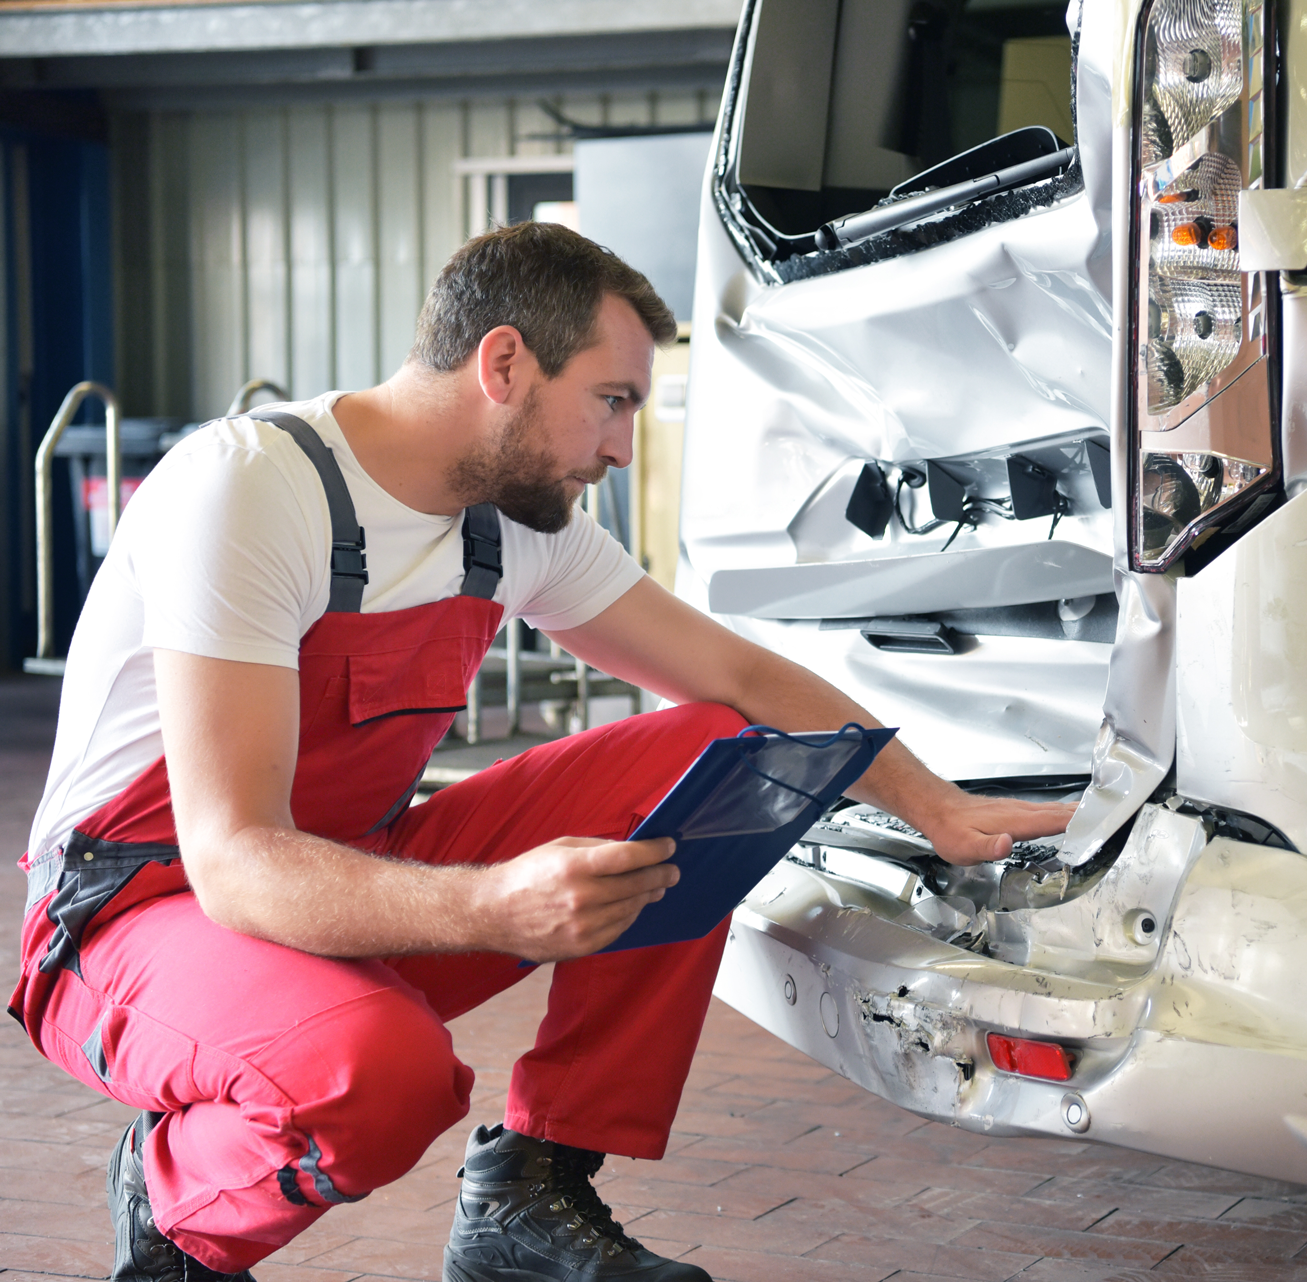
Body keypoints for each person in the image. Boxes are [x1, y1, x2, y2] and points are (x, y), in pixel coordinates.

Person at [13, 222, 1075, 1282]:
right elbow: (235, 856)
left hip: (347, 872)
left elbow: (745, 683)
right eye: (611, 401)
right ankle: (171, 1202)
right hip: (142, 913)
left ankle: (530, 1189)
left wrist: (932, 803)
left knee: (718, 752)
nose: (621, 449)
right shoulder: (252, 488)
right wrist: (496, 906)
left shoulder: (512, 522)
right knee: (381, 1077)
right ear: (506, 363)